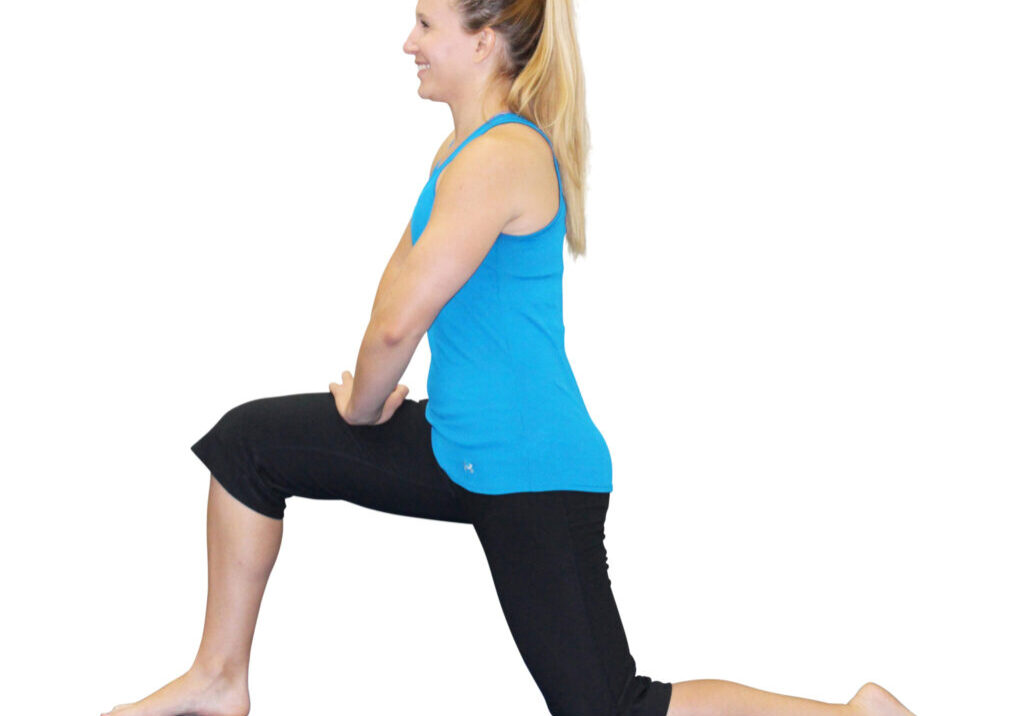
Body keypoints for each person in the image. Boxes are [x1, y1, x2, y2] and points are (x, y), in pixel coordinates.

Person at [102, 1, 919, 715]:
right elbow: (397, 291)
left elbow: (397, 325)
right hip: (463, 445)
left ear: (486, 40)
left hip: (532, 469)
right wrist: (370, 397)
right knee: (249, 448)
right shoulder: (462, 154)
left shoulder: (501, 157)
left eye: (426, 24)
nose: (407, 42)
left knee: (611, 707)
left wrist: (360, 407)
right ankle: (218, 676)